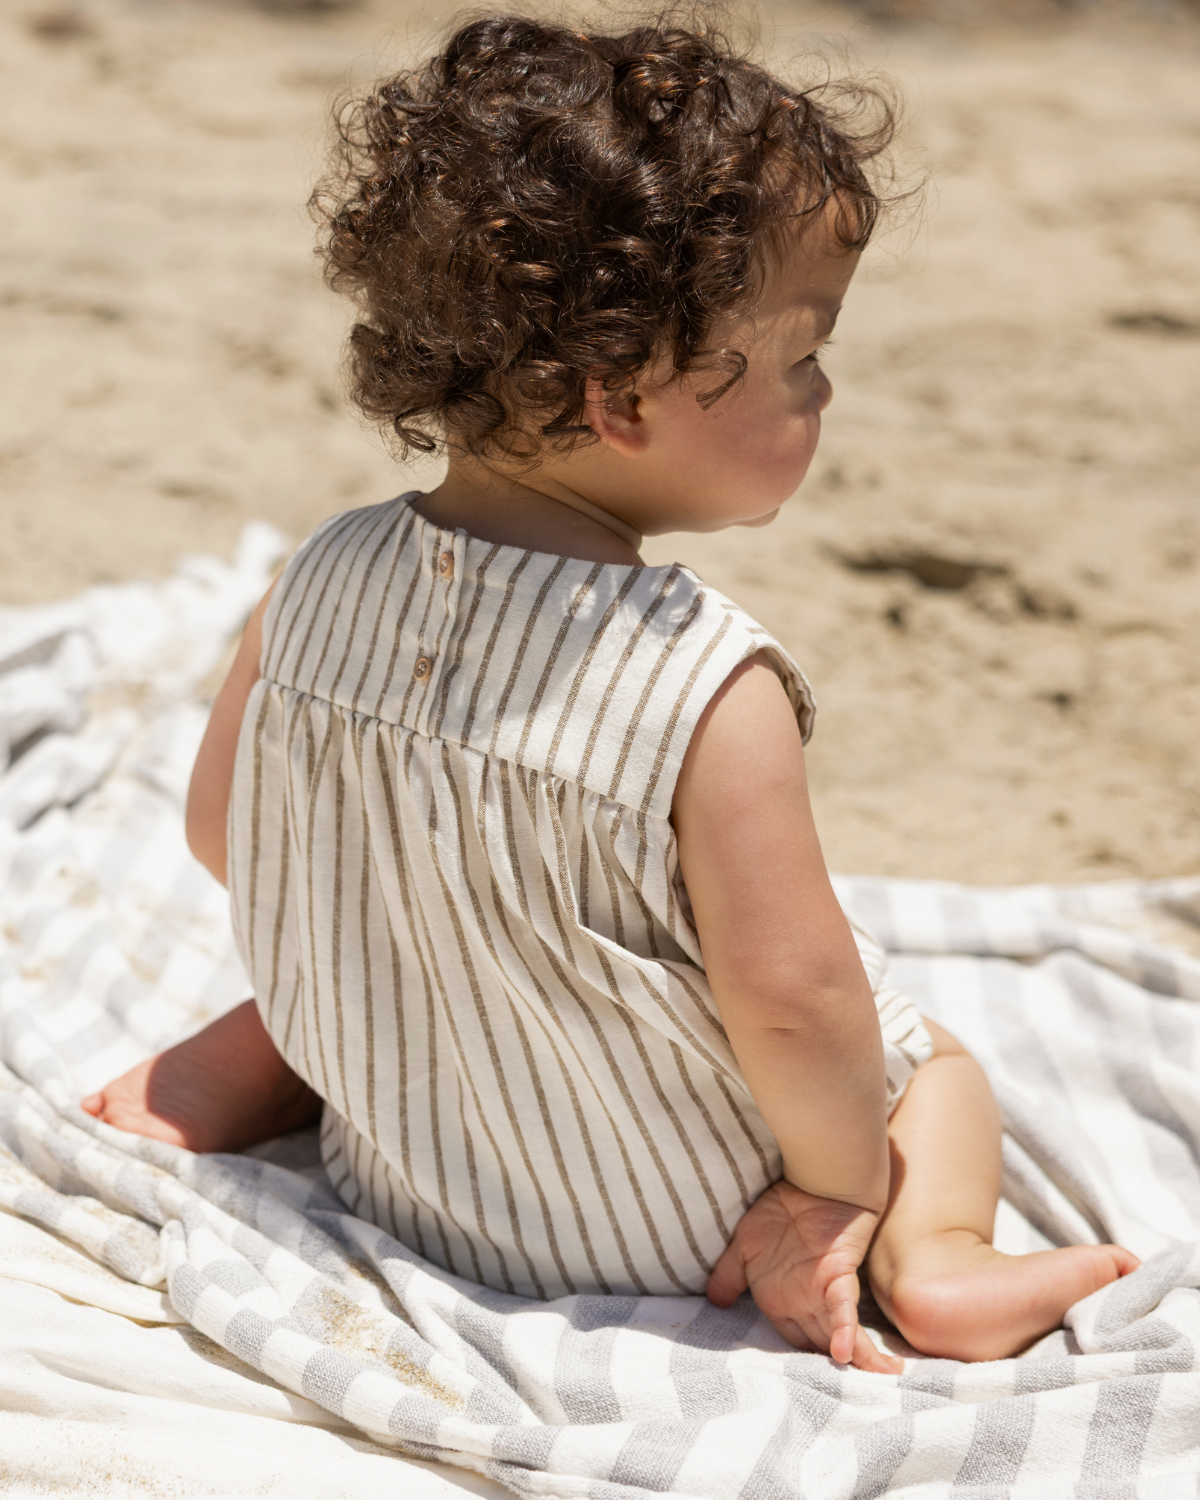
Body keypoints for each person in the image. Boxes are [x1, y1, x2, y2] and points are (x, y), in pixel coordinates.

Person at [82, 12, 1136, 1371]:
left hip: (416, 1169)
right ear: (624, 401)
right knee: (933, 1071)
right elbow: (795, 1000)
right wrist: (833, 1189)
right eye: (805, 356)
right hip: (674, 1224)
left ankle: (273, 1054)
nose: (826, 391)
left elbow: (225, 833)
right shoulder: (705, 683)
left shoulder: (318, 573)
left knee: (394, 908)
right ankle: (938, 1259)